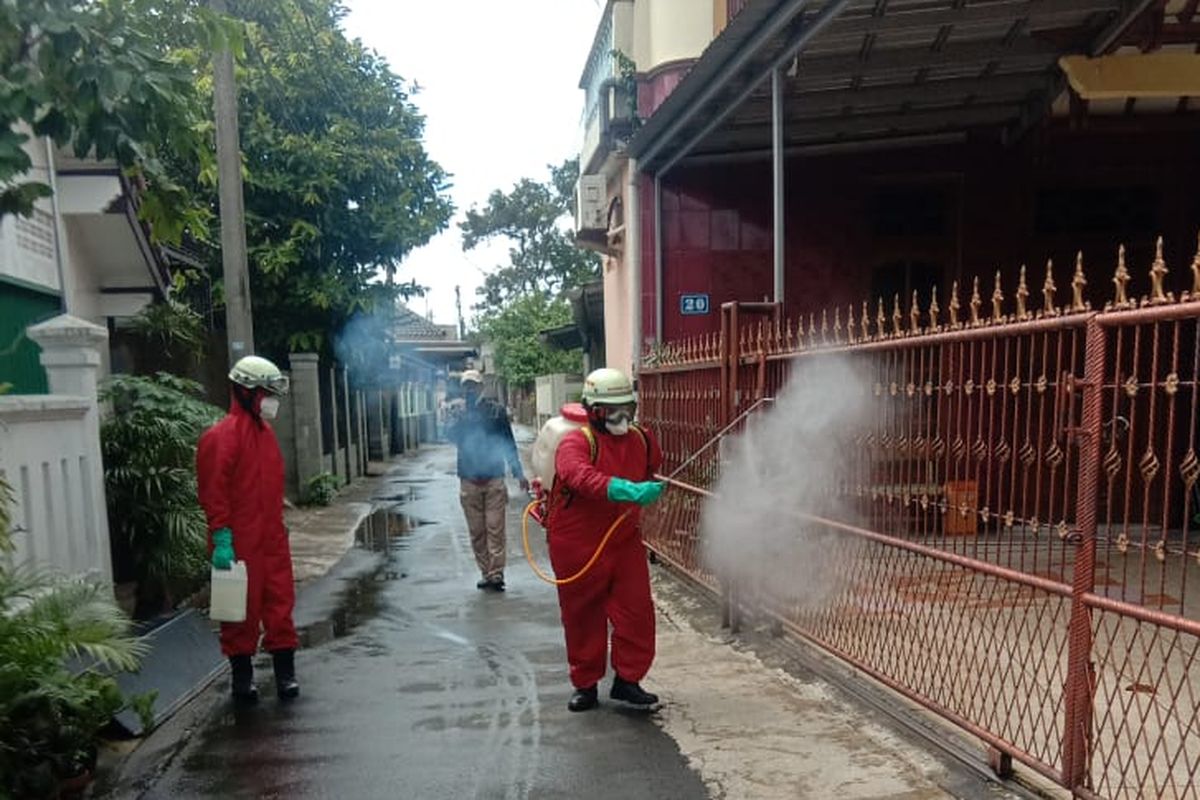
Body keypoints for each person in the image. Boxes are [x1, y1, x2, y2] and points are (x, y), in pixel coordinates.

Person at [547, 367, 666, 712]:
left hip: (624, 537)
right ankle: (585, 684)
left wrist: (650, 489)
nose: (620, 417)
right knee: (582, 614)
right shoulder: (576, 441)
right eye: (611, 410)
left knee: (636, 610)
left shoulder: (642, 439)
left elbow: (652, 466)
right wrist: (622, 488)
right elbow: (579, 476)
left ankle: (628, 681)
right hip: (577, 541)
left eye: (626, 409)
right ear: (592, 410)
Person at [197, 355, 299, 704]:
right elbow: (214, 493)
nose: (270, 402)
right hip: (238, 541)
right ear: (244, 391)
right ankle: (243, 678)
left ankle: (286, 674)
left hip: (270, 537)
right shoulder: (219, 438)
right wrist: (222, 537)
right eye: (265, 393)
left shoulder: (265, 435)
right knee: (238, 611)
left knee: (280, 603)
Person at [446, 370, 529, 591]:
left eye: (474, 386)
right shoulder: (459, 413)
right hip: (468, 480)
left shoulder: (496, 412)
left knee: (495, 529)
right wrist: (457, 417)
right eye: (466, 386)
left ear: (482, 387)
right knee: (477, 532)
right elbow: (449, 437)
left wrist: (518, 473)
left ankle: (496, 573)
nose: (470, 390)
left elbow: (508, 443)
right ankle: (486, 572)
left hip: (493, 478)